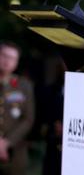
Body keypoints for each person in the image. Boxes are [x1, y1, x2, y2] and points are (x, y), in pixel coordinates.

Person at [0, 42, 34, 175]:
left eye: (12, 58)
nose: (7, 61)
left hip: (15, 154)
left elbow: (28, 119)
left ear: (17, 62)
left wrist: (6, 143)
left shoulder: (24, 86)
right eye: (4, 55)